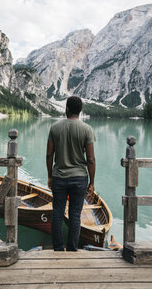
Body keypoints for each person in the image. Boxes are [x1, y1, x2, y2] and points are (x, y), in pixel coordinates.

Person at [46, 96, 96, 251]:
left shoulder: (54, 128)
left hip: (59, 177)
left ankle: (58, 249)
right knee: (75, 215)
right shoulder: (87, 129)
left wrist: (49, 175)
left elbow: (49, 155)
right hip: (79, 178)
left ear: (66, 108)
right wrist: (92, 182)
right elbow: (91, 159)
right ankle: (73, 249)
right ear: (80, 111)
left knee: (57, 214)